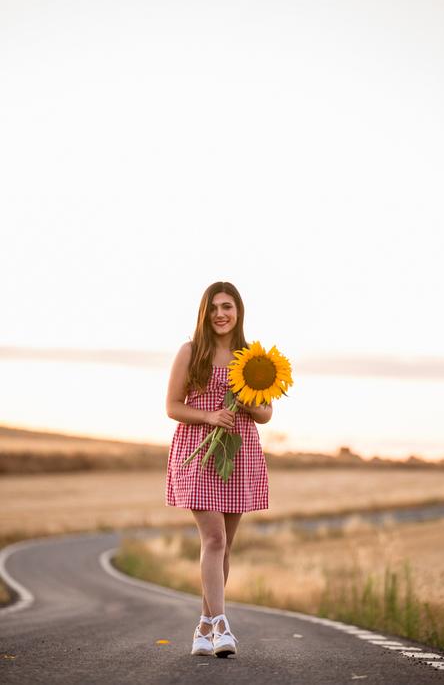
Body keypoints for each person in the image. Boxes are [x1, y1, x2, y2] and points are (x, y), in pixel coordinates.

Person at [165, 281, 273, 658]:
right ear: (204, 313)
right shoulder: (191, 352)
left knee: (224, 546)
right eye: (213, 308)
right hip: (197, 450)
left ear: (238, 311)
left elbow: (265, 414)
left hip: (237, 453)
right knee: (213, 540)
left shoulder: (252, 358)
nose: (220, 314)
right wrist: (210, 414)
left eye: (227, 306)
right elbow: (173, 406)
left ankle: (203, 627)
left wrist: (246, 399)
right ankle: (223, 626)